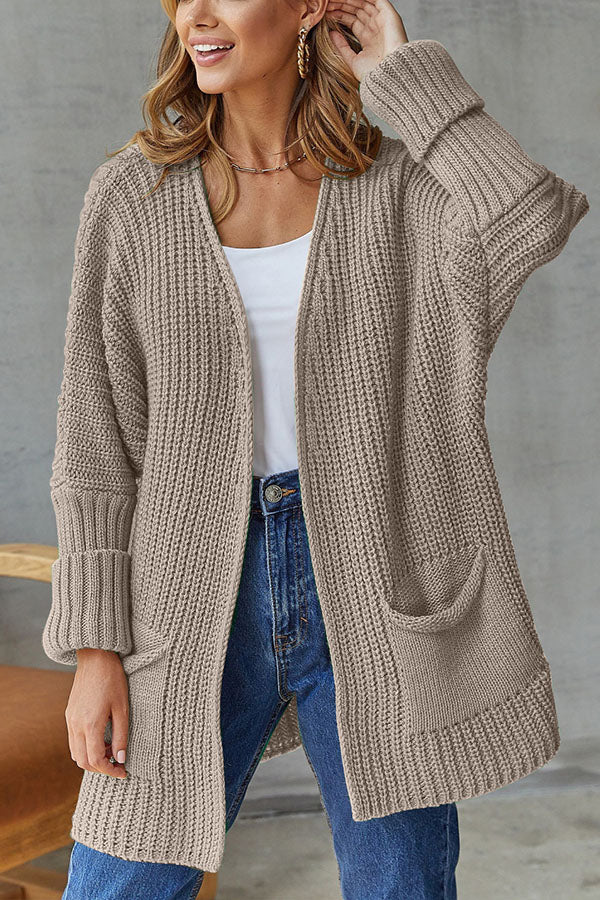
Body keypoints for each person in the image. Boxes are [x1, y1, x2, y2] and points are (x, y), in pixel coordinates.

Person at [43, 1, 589, 898]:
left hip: (377, 581)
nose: (199, 16)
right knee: (119, 882)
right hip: (186, 594)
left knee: (400, 886)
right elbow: (95, 441)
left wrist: (403, 79)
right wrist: (96, 649)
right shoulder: (133, 198)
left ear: (305, 7)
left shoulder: (400, 190)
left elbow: (528, 215)